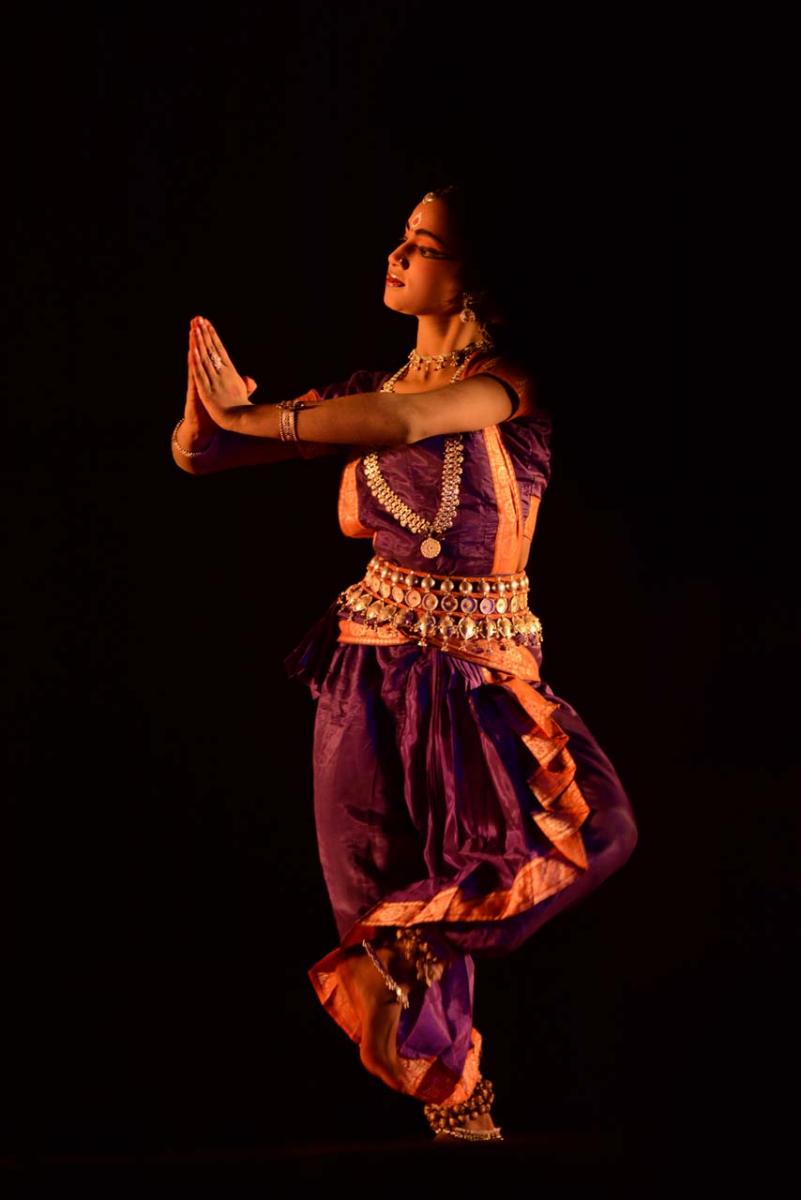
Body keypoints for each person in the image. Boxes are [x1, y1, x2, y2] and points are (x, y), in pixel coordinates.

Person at [171, 182, 639, 1144]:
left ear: (476, 279)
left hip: (479, 676)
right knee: (369, 894)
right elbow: (201, 455)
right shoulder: (360, 392)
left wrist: (255, 418)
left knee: (588, 832)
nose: (395, 254)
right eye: (402, 237)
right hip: (365, 674)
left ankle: (417, 940)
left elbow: (402, 423)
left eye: (422, 245)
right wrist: (210, 408)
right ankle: (460, 1112)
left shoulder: (509, 383)